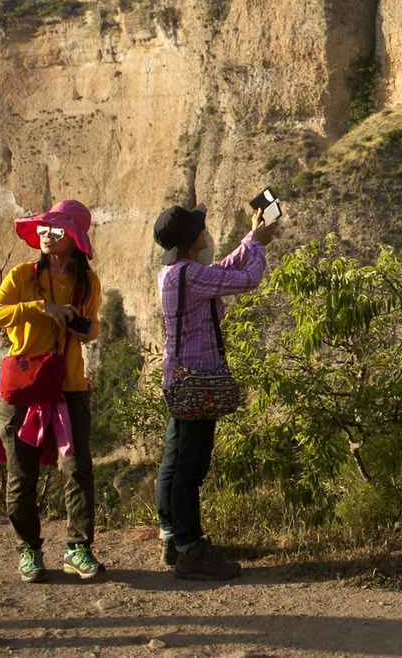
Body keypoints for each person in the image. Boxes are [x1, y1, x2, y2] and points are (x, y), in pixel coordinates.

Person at [152, 201, 278, 580]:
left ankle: (173, 540)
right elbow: (247, 279)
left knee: (175, 463)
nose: (206, 232)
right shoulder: (191, 276)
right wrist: (257, 246)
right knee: (191, 468)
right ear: (192, 240)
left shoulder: (175, 273)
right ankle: (191, 551)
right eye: (200, 229)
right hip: (199, 380)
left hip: (179, 378)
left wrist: (250, 238)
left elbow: (218, 271)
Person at [0, 198, 104, 583]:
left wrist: (81, 325)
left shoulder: (88, 282)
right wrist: (41, 308)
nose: (47, 236)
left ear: (74, 239)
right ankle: (29, 551)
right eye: (44, 229)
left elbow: (94, 329)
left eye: (57, 230)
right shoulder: (22, 276)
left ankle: (78, 548)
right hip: (24, 389)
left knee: (78, 469)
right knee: (21, 475)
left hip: (69, 388)